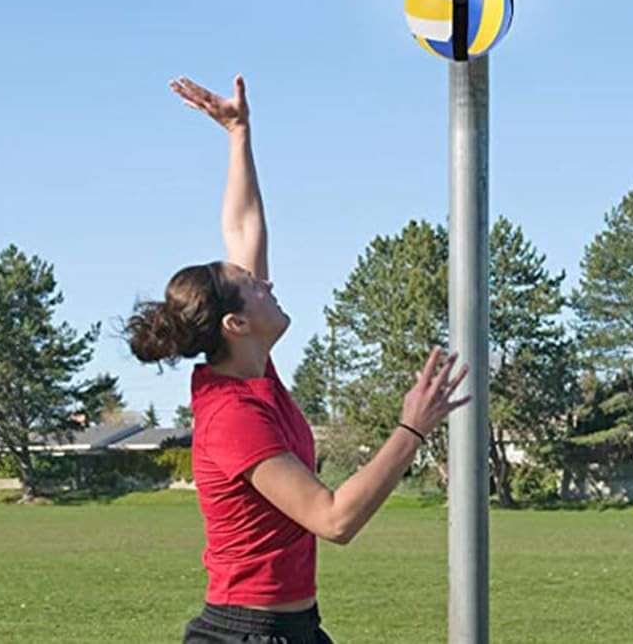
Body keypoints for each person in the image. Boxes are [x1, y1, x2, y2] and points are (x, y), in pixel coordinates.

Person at [125, 74, 471, 644]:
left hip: (294, 628)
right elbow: (334, 518)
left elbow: (242, 228)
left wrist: (238, 133)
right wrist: (412, 428)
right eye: (253, 286)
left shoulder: (252, 374)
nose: (267, 283)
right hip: (246, 634)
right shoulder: (232, 415)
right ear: (236, 324)